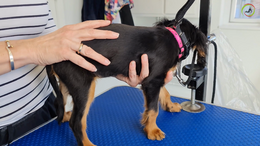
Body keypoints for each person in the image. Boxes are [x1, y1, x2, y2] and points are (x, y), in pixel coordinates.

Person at [0, 1, 173, 145]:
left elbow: (54, 41)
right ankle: (81, 136)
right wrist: (33, 48)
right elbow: (44, 46)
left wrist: (114, 60)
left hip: (46, 109)